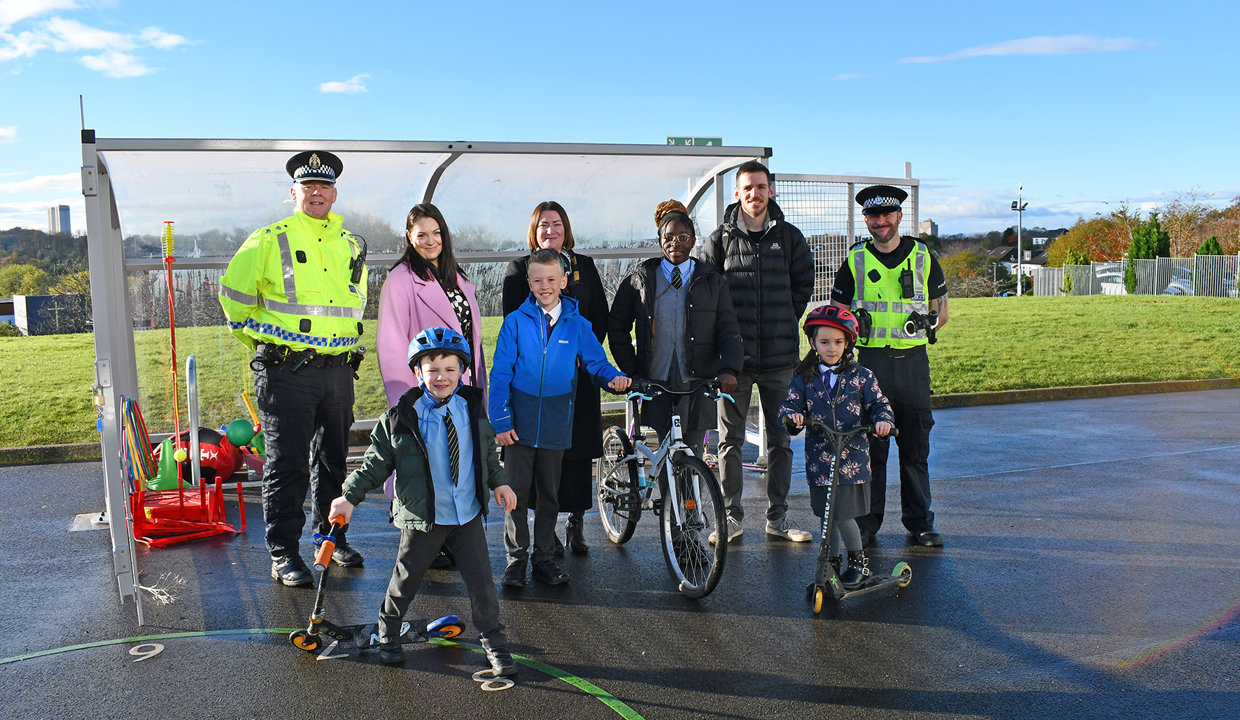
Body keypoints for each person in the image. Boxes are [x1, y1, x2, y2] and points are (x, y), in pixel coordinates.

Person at [327, 328, 518, 676]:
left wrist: (500, 483)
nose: (441, 377)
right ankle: (388, 632)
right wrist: (349, 497)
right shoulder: (402, 417)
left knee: (482, 585)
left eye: (450, 368)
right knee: (406, 579)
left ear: (461, 371)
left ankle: (494, 642)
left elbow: (487, 454)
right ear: (418, 372)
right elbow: (374, 464)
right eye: (432, 369)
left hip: (467, 516)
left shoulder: (473, 409)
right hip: (424, 519)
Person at [218, 150, 368, 587]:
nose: (316, 193)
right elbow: (233, 301)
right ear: (294, 193)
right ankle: (283, 552)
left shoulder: (351, 244)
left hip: (339, 371)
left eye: (323, 187)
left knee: (335, 462)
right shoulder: (267, 240)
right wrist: (265, 346)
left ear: (335, 193)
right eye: (308, 187)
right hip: (287, 371)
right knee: (287, 467)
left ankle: (331, 538)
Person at [490, 249, 631, 588]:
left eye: (552, 279)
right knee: (516, 496)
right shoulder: (515, 323)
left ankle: (543, 558)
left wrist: (613, 377)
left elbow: (596, 363)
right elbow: (500, 374)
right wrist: (501, 420)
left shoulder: (578, 324)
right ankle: (515, 560)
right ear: (528, 282)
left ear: (564, 281)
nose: (545, 286)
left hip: (556, 422)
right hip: (519, 426)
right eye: (537, 280)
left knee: (550, 496)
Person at [696, 160, 815, 545]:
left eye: (761, 186)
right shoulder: (719, 242)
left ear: (771, 190)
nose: (755, 194)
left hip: (781, 362)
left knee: (781, 440)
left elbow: (802, 289)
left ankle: (777, 519)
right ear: (737, 193)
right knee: (729, 441)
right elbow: (706, 296)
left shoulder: (791, 238)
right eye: (747, 187)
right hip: (735, 363)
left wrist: (782, 320)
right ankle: (730, 518)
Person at [830, 184, 948, 548]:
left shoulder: (924, 256)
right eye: (873, 216)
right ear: (866, 220)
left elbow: (942, 311)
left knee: (915, 450)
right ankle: (867, 526)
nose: (880, 221)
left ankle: (919, 523)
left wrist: (925, 325)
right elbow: (838, 315)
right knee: (870, 452)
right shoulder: (855, 260)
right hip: (871, 368)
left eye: (887, 214)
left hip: (912, 364)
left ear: (899, 216)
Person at [377, 203, 486, 570]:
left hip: (461, 384)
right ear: (408, 238)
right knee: (425, 464)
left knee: (456, 461)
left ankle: (451, 534)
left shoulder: (458, 276)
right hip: (426, 389)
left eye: (436, 233)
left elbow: (472, 337)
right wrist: (405, 400)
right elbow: (392, 344)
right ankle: (426, 540)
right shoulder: (401, 280)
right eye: (421, 234)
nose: (430, 241)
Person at [501, 201, 607, 556]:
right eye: (543, 225)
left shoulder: (585, 266)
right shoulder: (519, 269)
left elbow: (599, 319)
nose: (550, 230)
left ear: (566, 229)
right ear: (534, 230)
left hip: (578, 379)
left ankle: (575, 522)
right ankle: (546, 537)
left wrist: (582, 359)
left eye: (557, 224)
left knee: (576, 455)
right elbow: (514, 322)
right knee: (539, 463)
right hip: (538, 386)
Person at [608, 199, 743, 451]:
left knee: (692, 451)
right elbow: (617, 326)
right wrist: (631, 369)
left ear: (693, 240)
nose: (675, 244)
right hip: (656, 377)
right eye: (668, 237)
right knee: (665, 451)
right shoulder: (640, 279)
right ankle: (667, 491)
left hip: (697, 378)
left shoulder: (713, 281)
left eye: (683, 237)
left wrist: (729, 368)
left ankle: (690, 492)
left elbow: (728, 328)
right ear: (659, 240)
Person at [778, 305, 894, 588]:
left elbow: (880, 404)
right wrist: (793, 418)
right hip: (820, 459)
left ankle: (859, 563)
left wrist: (882, 421)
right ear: (814, 343)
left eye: (838, 342)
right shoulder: (803, 378)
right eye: (825, 342)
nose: (832, 348)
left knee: (841, 515)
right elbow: (790, 406)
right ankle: (830, 566)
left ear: (848, 342)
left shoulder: (862, 376)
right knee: (825, 515)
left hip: (852, 460)